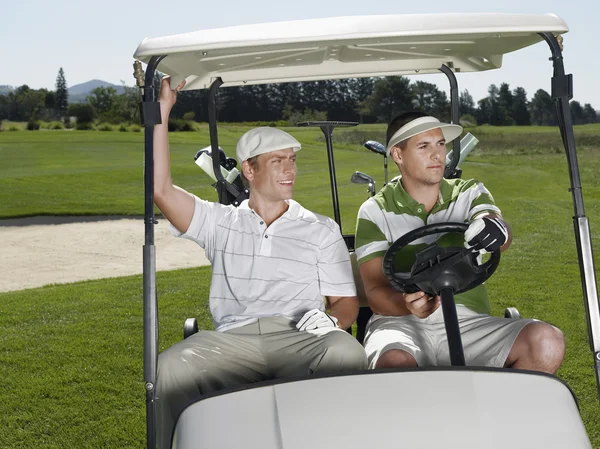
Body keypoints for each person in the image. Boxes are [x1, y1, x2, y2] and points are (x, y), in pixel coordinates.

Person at [153, 77, 367, 448]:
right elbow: (161, 190)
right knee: (170, 366)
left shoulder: (320, 229)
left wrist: (331, 322)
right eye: (278, 161)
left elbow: (346, 304)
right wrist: (162, 111)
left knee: (346, 350)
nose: (290, 170)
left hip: (299, 335)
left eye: (293, 160)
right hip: (233, 341)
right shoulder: (218, 222)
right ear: (249, 171)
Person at [355, 111, 565, 372]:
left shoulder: (468, 192)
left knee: (546, 341)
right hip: (400, 324)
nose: (438, 155)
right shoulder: (374, 211)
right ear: (398, 155)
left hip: (470, 322)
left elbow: (494, 224)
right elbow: (375, 293)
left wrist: (497, 228)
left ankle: (499, 412)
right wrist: (406, 304)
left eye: (441, 144)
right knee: (395, 363)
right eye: (424, 146)